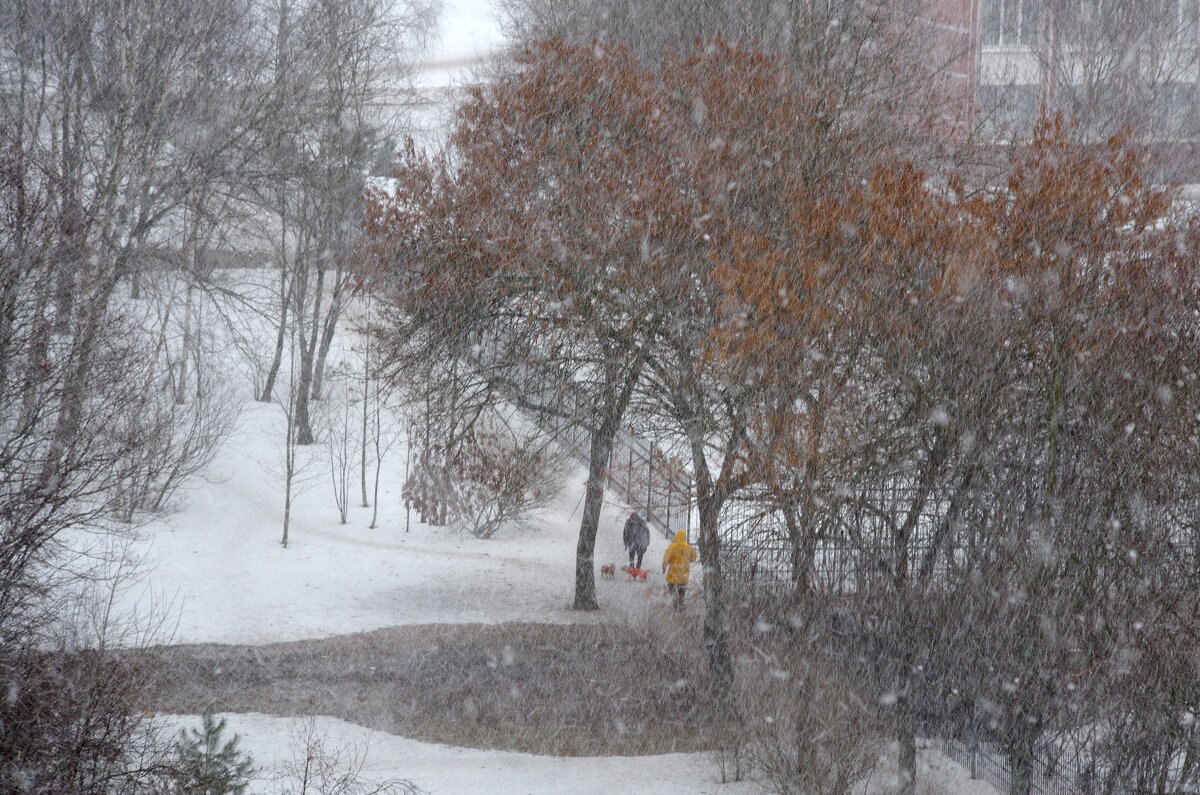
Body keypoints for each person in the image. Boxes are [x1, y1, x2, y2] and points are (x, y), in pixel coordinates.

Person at [661, 529, 697, 610]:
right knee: (682, 588)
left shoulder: (672, 546)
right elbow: (694, 557)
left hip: (673, 572)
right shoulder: (688, 547)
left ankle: (675, 600)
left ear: (676, 536)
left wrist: (664, 567)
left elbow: (666, 558)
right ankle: (680, 602)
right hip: (683, 573)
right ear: (684, 537)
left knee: (671, 586)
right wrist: (688, 560)